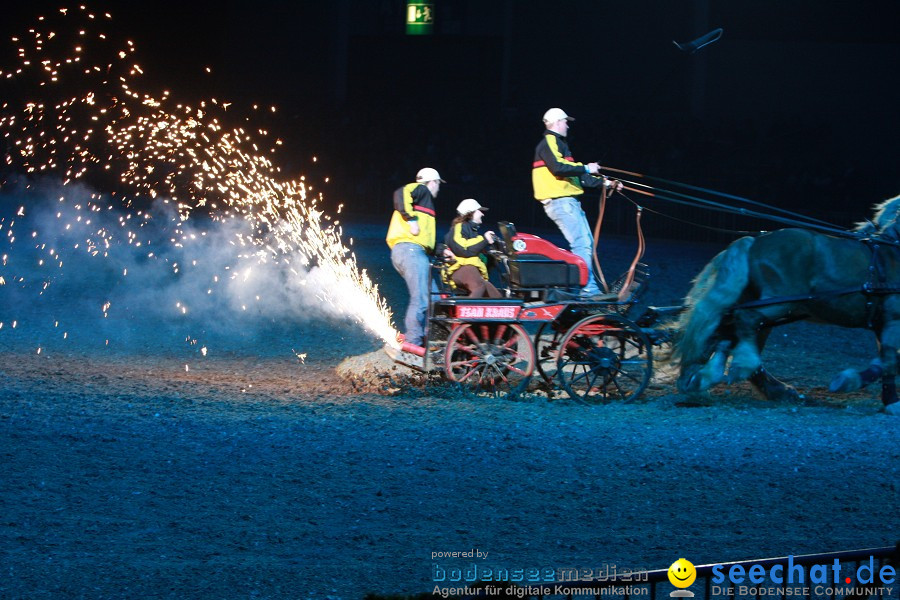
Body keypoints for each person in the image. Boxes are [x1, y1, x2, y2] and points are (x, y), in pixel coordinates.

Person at [532, 107, 621, 299]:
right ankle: (588, 290)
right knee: (581, 244)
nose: (567, 126)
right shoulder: (550, 141)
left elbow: (577, 176)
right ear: (557, 122)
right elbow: (559, 168)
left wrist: (605, 183)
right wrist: (587, 168)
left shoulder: (560, 145)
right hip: (561, 202)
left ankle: (585, 287)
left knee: (586, 243)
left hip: (567, 201)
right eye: (565, 122)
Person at [386, 167, 444, 347]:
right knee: (421, 299)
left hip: (412, 251)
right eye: (438, 184)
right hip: (410, 250)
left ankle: (431, 339)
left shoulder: (424, 203)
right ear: (432, 182)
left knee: (435, 299)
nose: (438, 189)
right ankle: (414, 342)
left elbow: (427, 240)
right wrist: (411, 220)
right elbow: (400, 193)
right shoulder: (421, 189)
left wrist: (442, 251)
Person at [443, 198, 502, 298]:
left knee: (496, 297)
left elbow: (474, 252)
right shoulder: (460, 227)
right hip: (459, 268)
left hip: (468, 268)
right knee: (479, 287)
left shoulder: (471, 230)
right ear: (470, 213)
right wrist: (485, 240)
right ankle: (467, 312)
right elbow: (463, 249)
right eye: (480, 211)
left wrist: (492, 258)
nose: (483, 214)